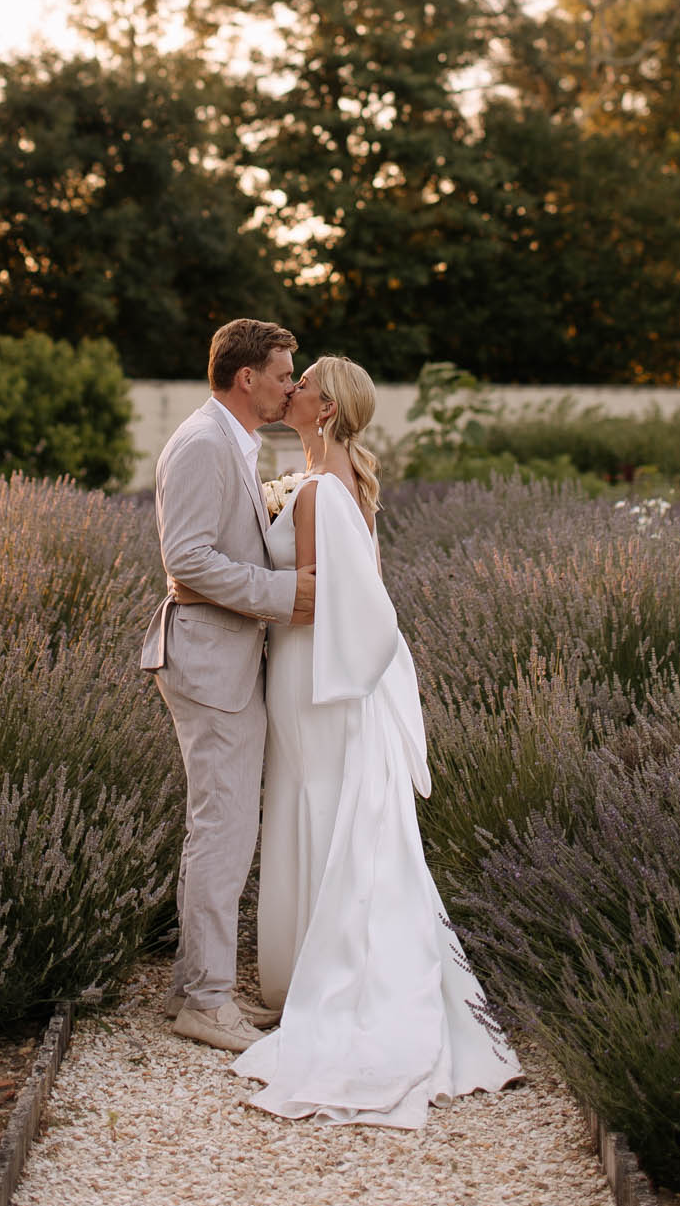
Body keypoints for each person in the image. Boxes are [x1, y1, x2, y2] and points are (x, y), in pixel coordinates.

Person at [226, 354, 522, 1127]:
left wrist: (232, 594)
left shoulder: (324, 486)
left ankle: (315, 979)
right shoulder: (333, 475)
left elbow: (324, 598)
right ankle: (300, 971)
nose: (288, 390)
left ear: (323, 409)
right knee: (309, 803)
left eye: (303, 386)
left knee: (314, 803)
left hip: (315, 672)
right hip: (312, 671)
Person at [140, 318, 317, 1054]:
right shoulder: (206, 443)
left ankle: (195, 985)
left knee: (223, 824)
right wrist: (284, 593)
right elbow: (185, 559)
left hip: (224, 658)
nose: (289, 388)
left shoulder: (233, 443)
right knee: (223, 826)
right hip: (209, 662)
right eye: (282, 375)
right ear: (246, 378)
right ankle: (207, 1001)